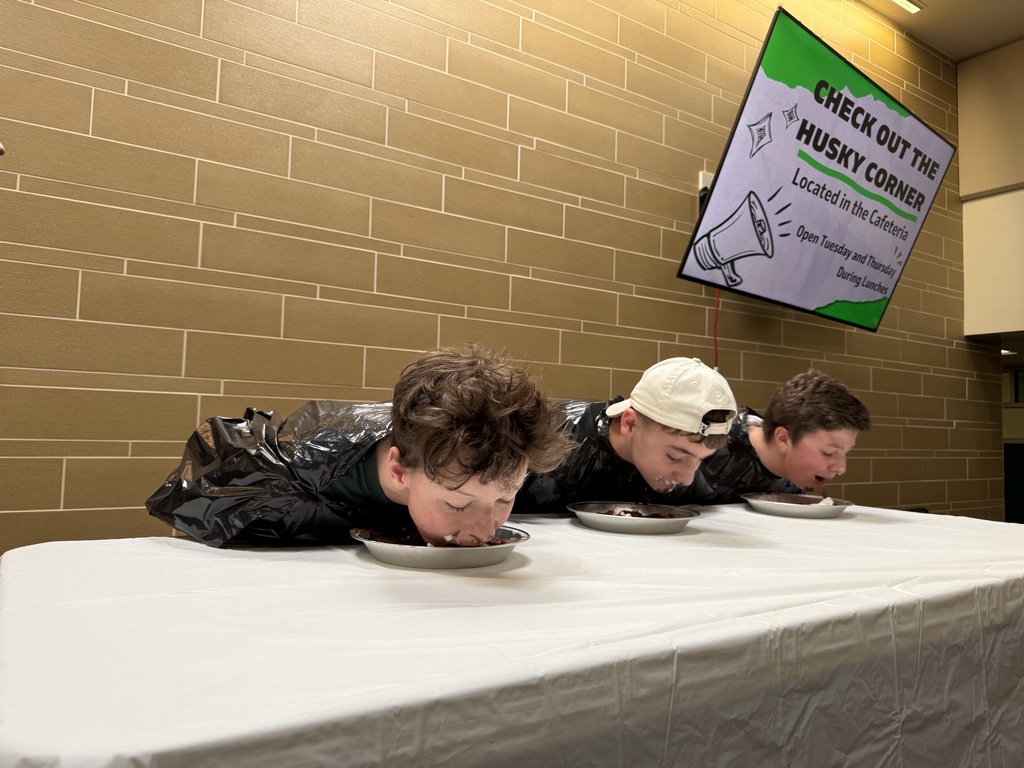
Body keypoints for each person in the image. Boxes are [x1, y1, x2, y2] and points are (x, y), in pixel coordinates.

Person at [146, 344, 572, 548]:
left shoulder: (493, 463)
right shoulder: (307, 460)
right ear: (398, 471)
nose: (484, 531)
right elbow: (193, 497)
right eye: (458, 506)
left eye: (504, 498)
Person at [513, 357, 738, 514]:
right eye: (675, 457)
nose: (688, 479)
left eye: (701, 460)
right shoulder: (560, 441)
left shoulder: (683, 463)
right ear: (630, 423)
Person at [682, 368, 872, 504]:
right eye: (829, 452)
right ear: (783, 438)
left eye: (847, 452)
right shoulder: (706, 447)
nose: (841, 468)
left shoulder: (794, 475)